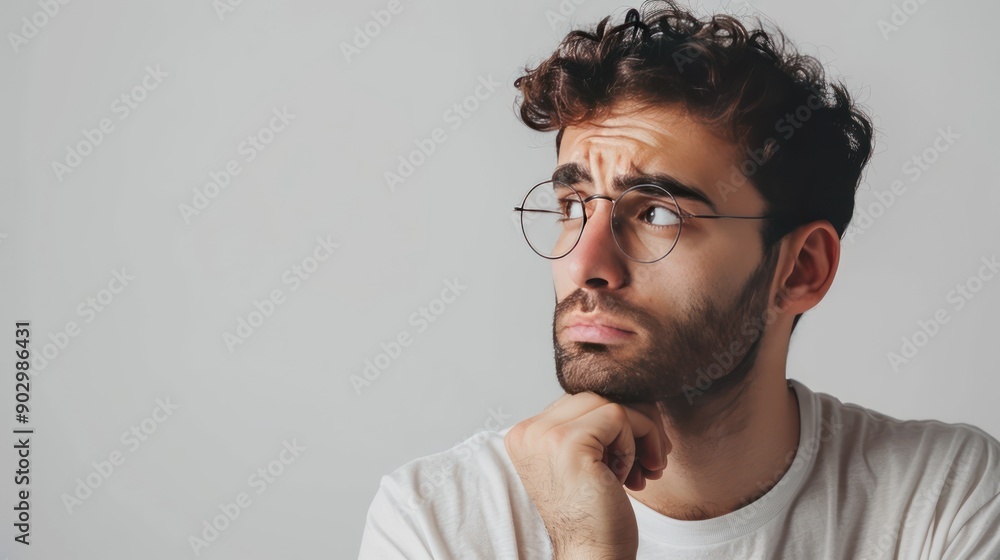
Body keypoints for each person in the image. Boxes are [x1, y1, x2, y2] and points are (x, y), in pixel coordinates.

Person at [358, 2, 1000, 558]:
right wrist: (587, 548)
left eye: (658, 214)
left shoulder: (945, 500)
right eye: (574, 207)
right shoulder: (438, 522)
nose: (586, 264)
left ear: (800, 269)